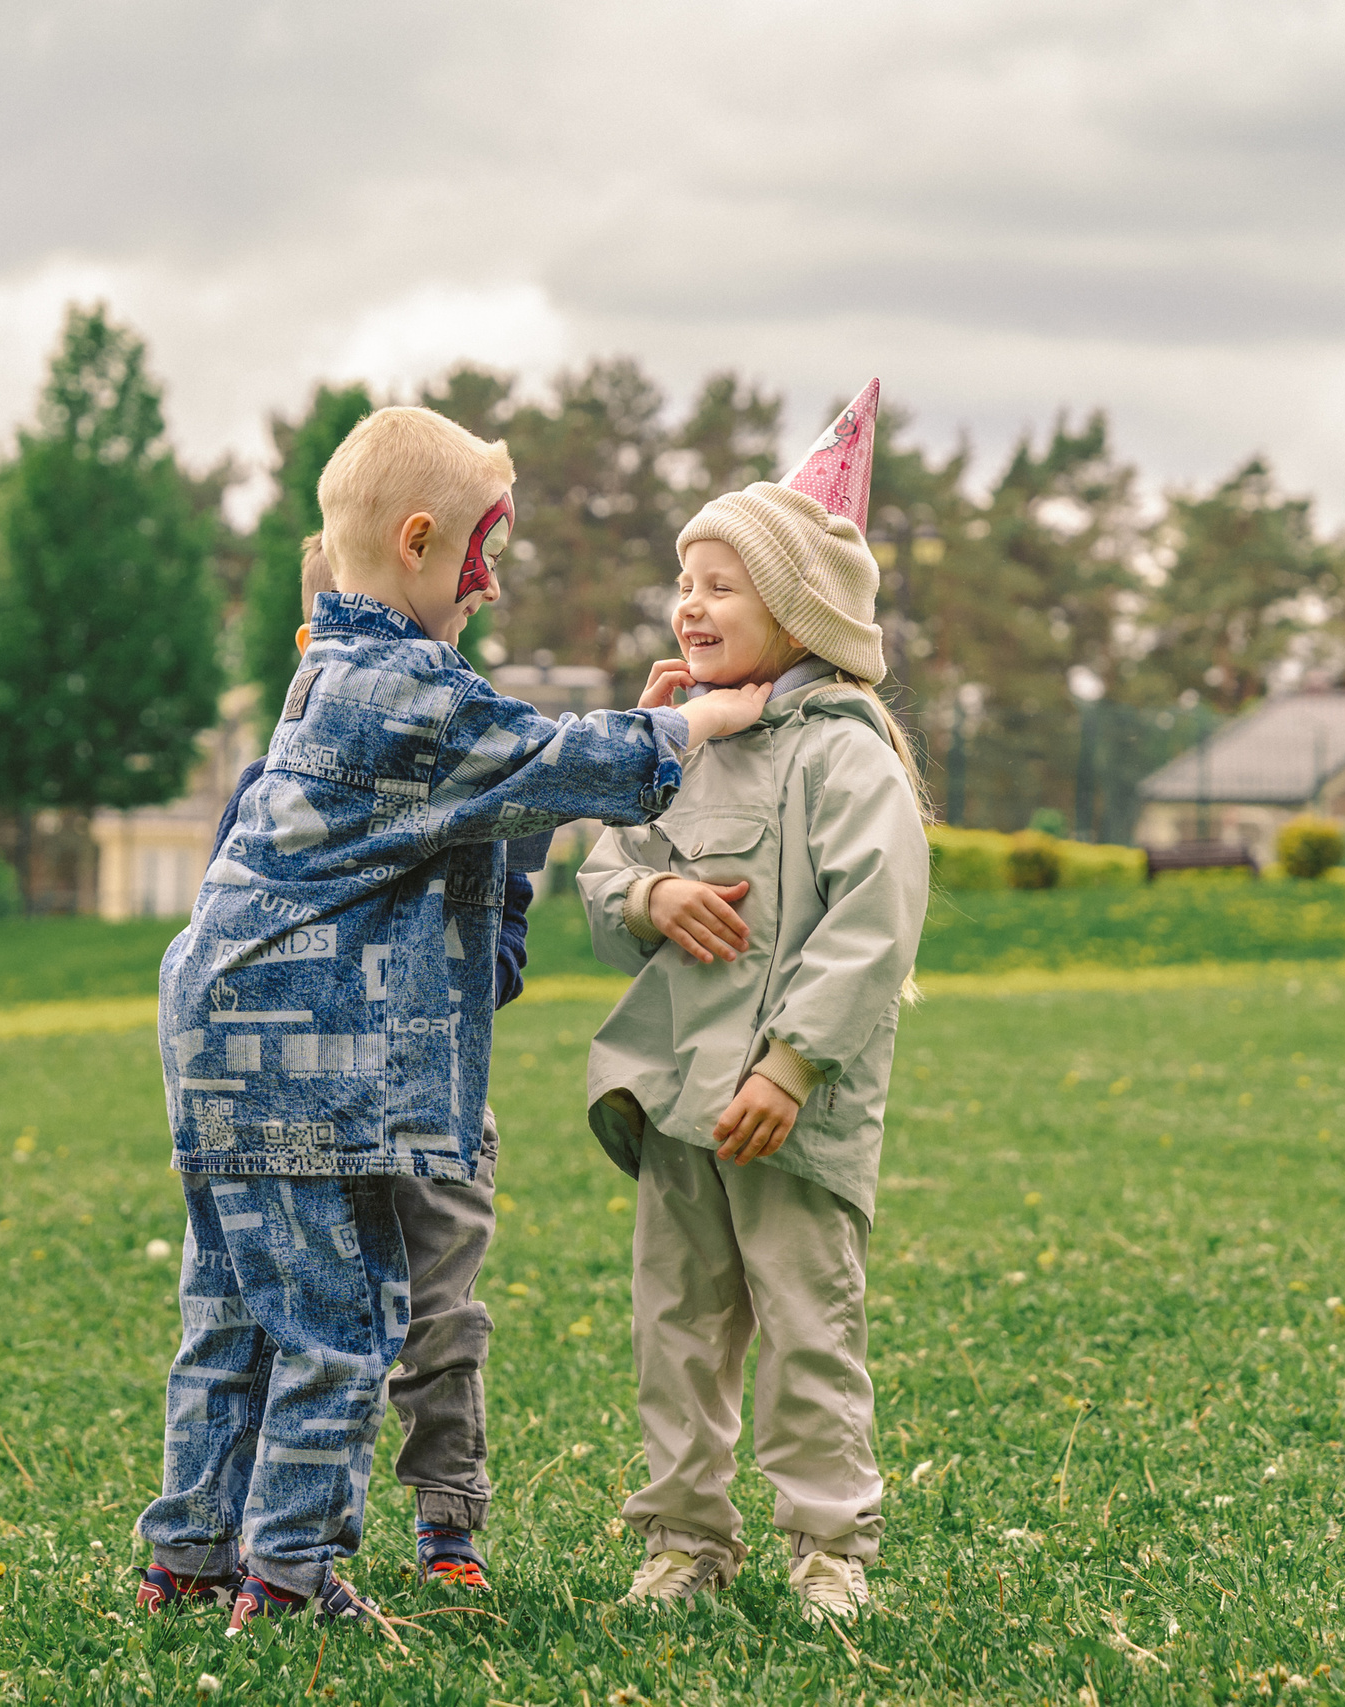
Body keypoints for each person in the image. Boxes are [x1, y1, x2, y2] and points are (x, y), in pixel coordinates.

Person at [136, 406, 773, 1637]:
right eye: (482, 549)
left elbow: (503, 787)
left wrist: (614, 740)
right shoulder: (397, 683)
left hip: (220, 1043)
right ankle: (290, 1576)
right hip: (296, 1055)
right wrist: (701, 722)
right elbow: (542, 762)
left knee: (232, 1312)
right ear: (419, 541)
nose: (488, 579)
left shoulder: (330, 668)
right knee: (343, 1320)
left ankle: (190, 1553)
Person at [574, 379, 931, 1624]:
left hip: (790, 1108)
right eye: (686, 581)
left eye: (721, 584)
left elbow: (872, 925)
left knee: (805, 1324)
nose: (690, 604)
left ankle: (828, 1544)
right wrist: (645, 903)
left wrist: (790, 1067)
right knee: (674, 1324)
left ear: (798, 609)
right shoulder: (681, 740)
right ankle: (684, 1536)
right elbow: (606, 861)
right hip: (679, 1098)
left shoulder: (846, 755)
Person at [134, 535, 531, 1610]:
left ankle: (444, 1519)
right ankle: (248, 1562)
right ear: (310, 646)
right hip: (296, 1109)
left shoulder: (465, 768)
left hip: (428, 1107)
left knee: (435, 1323)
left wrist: (435, 992)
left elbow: (503, 929)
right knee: (287, 1325)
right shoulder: (273, 791)